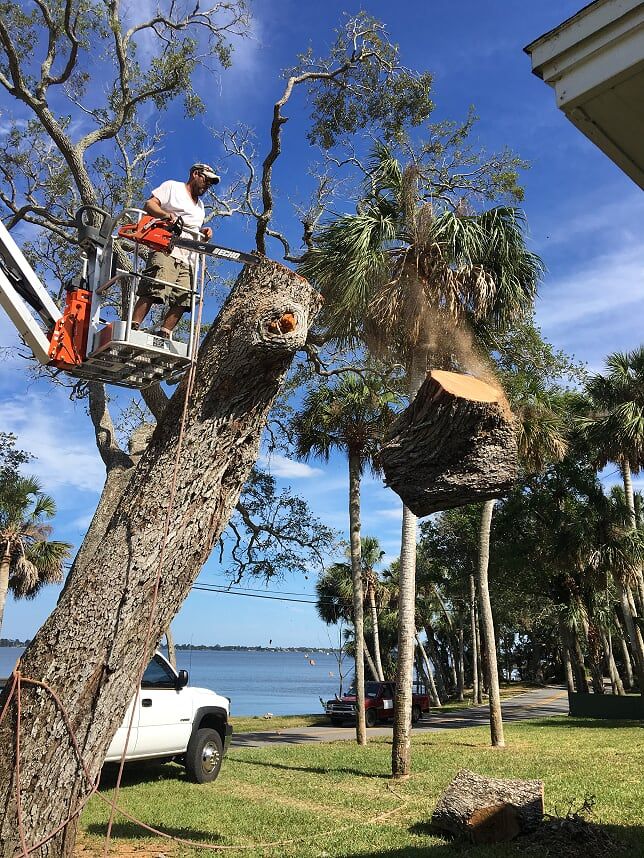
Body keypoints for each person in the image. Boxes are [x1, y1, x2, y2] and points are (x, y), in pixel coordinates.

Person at [131, 163, 220, 338]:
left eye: (210, 183)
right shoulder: (173, 187)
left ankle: (164, 333)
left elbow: (193, 228)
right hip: (166, 248)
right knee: (155, 286)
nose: (207, 185)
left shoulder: (200, 207)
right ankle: (133, 327)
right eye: (206, 180)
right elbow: (149, 204)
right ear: (195, 174)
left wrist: (203, 233)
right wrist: (166, 215)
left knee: (184, 297)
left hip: (189, 257)